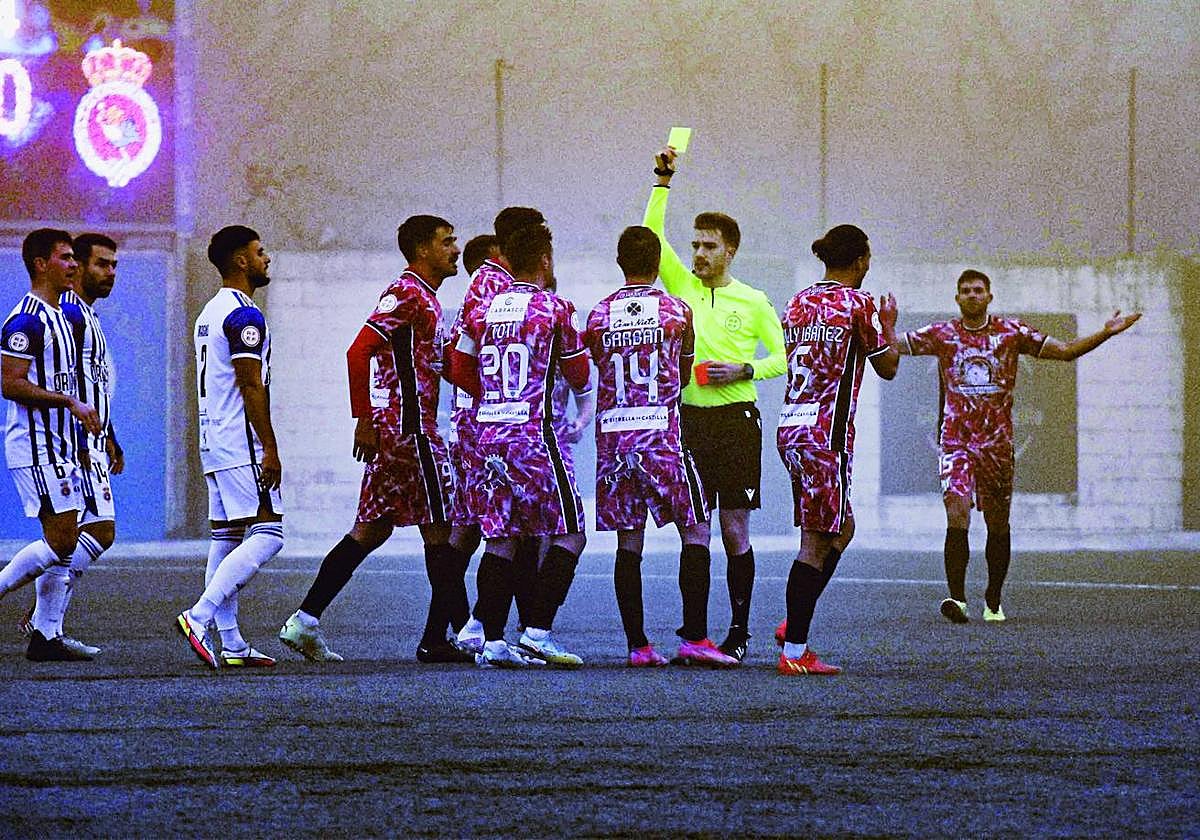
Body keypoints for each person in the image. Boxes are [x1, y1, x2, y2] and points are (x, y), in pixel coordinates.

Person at [279, 215, 473, 664]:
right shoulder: (407, 293)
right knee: (441, 532)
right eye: (447, 242)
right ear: (422, 250)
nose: (455, 250)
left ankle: (305, 620)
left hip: (399, 434)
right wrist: (362, 419)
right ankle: (464, 634)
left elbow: (445, 366)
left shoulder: (427, 298)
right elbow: (358, 350)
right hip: (410, 432)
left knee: (371, 530)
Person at [898, 269, 1141, 623]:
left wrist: (1105, 332)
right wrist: (878, 324)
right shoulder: (942, 334)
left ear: (989, 297)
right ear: (956, 298)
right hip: (956, 443)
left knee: (998, 524)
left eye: (978, 290)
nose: (972, 295)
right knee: (957, 512)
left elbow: (1066, 351)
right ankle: (958, 599)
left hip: (997, 445)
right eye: (965, 291)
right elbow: (893, 345)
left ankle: (993, 599)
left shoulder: (1011, 332)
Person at [642, 145, 786, 662]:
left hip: (737, 421)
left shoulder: (753, 300)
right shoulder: (681, 285)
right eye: (695, 245)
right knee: (695, 528)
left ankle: (739, 632)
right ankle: (695, 637)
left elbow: (784, 357)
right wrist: (662, 182)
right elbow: (650, 238)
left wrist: (745, 369)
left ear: (731, 252)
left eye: (709, 246)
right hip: (689, 422)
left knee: (733, 528)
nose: (699, 254)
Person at [585, 225, 736, 667]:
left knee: (628, 541)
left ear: (620, 262)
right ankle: (694, 638)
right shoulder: (676, 311)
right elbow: (683, 374)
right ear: (657, 263)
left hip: (614, 440)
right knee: (696, 529)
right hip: (661, 437)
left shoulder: (597, 315)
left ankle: (638, 646)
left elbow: (595, 367)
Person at [446, 223, 591, 668]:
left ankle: (491, 641)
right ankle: (537, 632)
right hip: (534, 436)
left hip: (490, 435)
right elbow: (579, 374)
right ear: (545, 260)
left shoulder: (483, 309)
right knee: (571, 531)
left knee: (501, 537)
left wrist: (494, 398)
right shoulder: (556, 308)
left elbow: (457, 366)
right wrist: (578, 411)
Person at [774, 224, 898, 675]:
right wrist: (888, 326)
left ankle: (794, 622)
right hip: (826, 435)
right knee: (815, 541)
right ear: (861, 260)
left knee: (842, 528)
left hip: (791, 426)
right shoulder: (858, 304)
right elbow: (888, 367)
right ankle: (794, 652)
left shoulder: (797, 302)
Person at [176, 225, 285, 669]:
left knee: (225, 538)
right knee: (270, 535)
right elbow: (250, 383)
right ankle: (198, 616)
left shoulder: (209, 311)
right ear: (241, 260)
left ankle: (233, 642)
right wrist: (270, 446)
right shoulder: (243, 315)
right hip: (241, 441)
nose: (266, 258)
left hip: (213, 438)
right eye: (260, 252)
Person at [446, 208, 548, 656]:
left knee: (501, 528)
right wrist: (496, 398)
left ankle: (488, 627)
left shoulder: (501, 283)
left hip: (494, 421)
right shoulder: (494, 284)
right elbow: (458, 359)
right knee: (491, 528)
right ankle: (467, 626)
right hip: (489, 425)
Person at [19, 233, 125, 657]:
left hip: (90, 438)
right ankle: (44, 623)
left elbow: (90, 385)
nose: (110, 273)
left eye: (114, 266)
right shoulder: (69, 315)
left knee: (93, 532)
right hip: (72, 442)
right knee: (85, 533)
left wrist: (110, 434)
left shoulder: (86, 315)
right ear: (78, 266)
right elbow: (64, 385)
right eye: (101, 264)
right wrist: (82, 441)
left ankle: (46, 627)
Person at [0, 229, 102, 661]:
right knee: (61, 540)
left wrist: (80, 437)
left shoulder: (63, 316)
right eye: (65, 257)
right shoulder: (26, 321)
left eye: (74, 257)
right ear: (41, 264)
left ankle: (46, 636)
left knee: (68, 538)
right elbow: (9, 383)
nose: (74, 264)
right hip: (35, 445)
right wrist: (68, 402)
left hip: (61, 445)